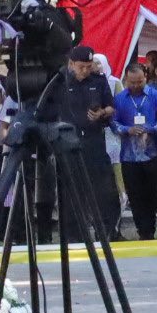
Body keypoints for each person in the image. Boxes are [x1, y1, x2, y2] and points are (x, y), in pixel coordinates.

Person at [58, 44, 120, 240]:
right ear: (71, 64)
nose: (85, 70)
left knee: (104, 190)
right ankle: (74, 236)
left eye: (88, 65)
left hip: (94, 141)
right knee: (72, 192)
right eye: (81, 66)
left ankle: (108, 232)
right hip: (69, 142)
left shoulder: (99, 81)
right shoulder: (60, 82)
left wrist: (101, 112)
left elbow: (111, 106)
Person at [111, 62, 157, 241]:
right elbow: (113, 122)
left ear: (146, 78)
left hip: (154, 154)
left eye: (139, 82)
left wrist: (150, 129)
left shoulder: (156, 96)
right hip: (129, 157)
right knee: (137, 197)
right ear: (126, 80)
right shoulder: (119, 99)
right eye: (132, 82)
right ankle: (145, 232)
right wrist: (128, 130)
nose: (135, 86)